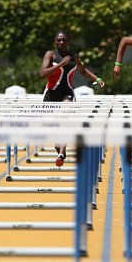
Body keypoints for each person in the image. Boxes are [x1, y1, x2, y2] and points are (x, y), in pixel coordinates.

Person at [40, 29, 105, 166]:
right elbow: (42, 74)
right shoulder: (50, 54)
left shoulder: (73, 56)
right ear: (55, 41)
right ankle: (60, 148)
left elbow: (82, 70)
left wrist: (97, 78)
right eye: (59, 40)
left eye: (64, 40)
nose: (62, 42)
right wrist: (60, 64)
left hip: (67, 93)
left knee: (65, 117)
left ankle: (62, 152)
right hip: (51, 93)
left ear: (68, 42)